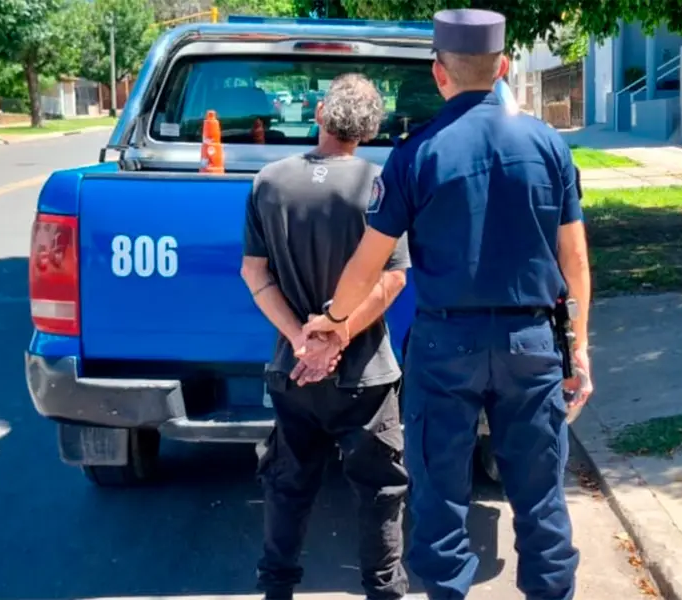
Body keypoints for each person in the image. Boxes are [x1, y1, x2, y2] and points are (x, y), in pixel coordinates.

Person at [300, 9, 594, 600]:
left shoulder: (416, 155)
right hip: (531, 344)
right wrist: (579, 348)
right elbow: (576, 262)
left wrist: (332, 321)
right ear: (503, 68)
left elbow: (368, 262)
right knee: (540, 498)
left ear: (440, 74)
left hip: (445, 347)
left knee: (438, 502)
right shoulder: (548, 147)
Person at [240, 73, 412, 600]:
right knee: (380, 492)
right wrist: (338, 337)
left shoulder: (269, 182)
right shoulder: (379, 185)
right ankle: (384, 592)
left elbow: (254, 273)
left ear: (319, 114)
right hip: (367, 375)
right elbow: (392, 280)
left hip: (293, 374)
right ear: (371, 129)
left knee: (287, 486)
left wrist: (301, 340)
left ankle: (276, 590)